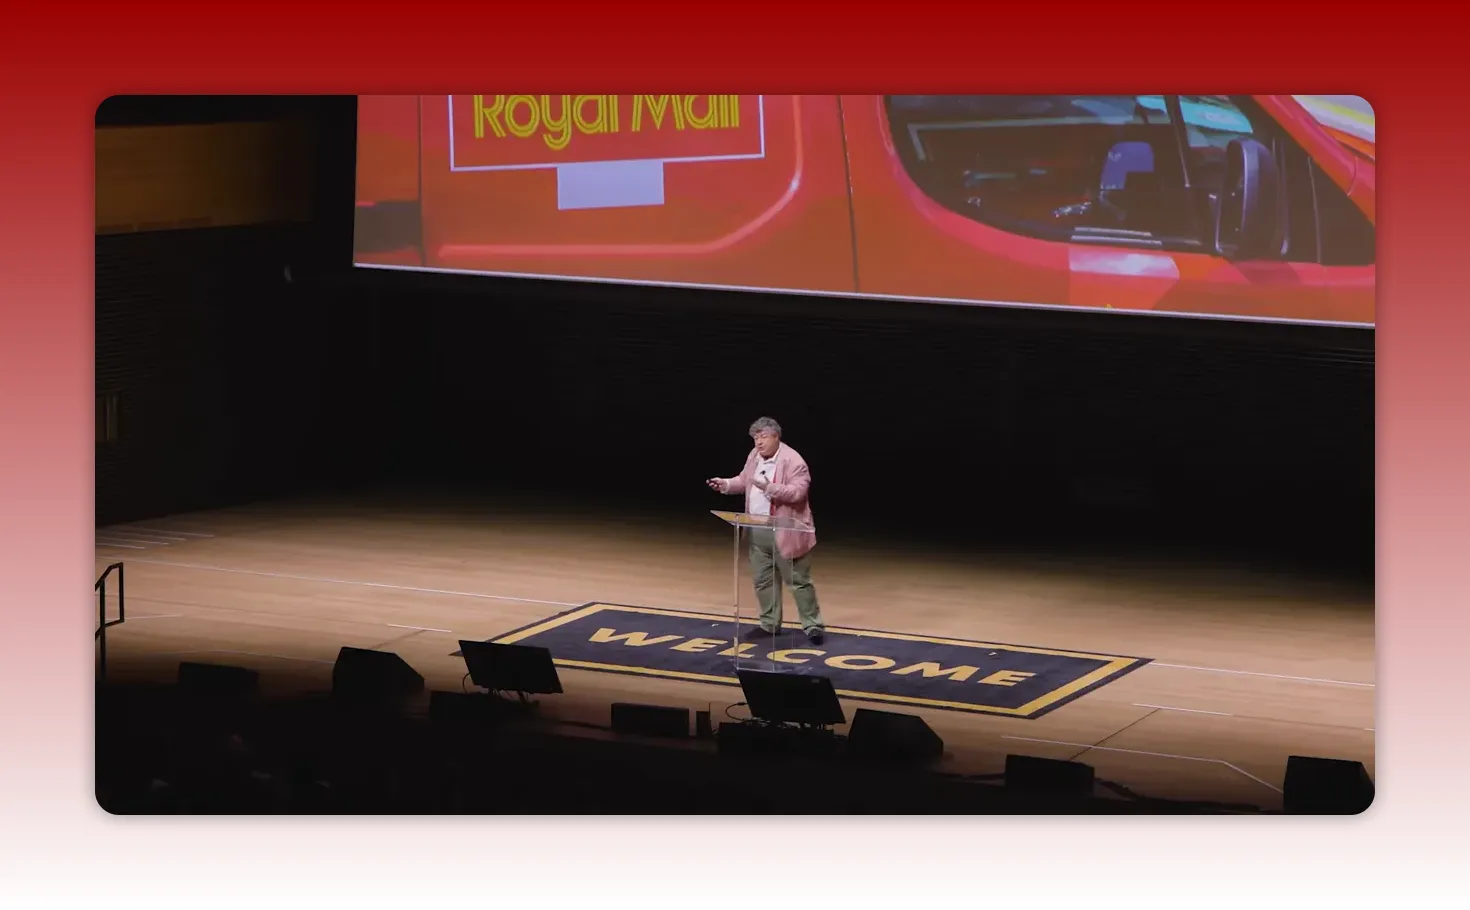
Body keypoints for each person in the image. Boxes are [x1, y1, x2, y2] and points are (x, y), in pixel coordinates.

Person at [707, 417, 826, 644]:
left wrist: (769, 487)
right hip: (756, 529)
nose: (758, 443)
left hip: (786, 531)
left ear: (775, 436)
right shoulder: (754, 456)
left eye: (762, 437)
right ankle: (769, 624)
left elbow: (798, 493)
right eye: (755, 438)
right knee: (763, 580)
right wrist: (726, 484)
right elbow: (744, 480)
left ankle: (813, 626)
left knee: (798, 581)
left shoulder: (794, 461)